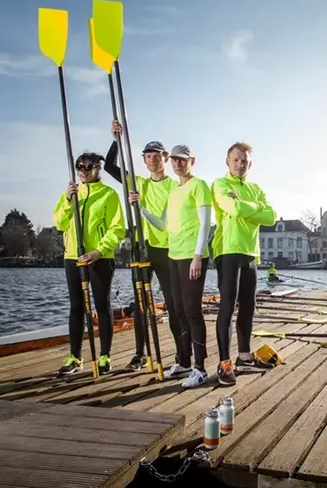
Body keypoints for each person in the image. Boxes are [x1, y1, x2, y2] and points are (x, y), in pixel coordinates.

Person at [103, 121, 180, 372]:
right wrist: (116, 139)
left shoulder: (175, 185)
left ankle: (181, 355)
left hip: (166, 250)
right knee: (141, 304)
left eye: (157, 156)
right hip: (141, 248)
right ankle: (139, 355)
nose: (152, 160)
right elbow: (108, 167)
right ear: (144, 160)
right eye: (148, 156)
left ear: (165, 158)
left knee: (173, 302)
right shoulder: (137, 183)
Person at [135, 144, 212, 388]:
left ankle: (200, 368)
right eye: (176, 160)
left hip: (193, 255)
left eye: (183, 160)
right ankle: (184, 361)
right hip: (174, 254)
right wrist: (140, 208)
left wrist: (198, 255)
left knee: (191, 310)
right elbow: (161, 224)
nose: (179, 164)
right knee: (176, 309)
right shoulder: (174, 192)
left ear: (192, 161)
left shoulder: (199, 186)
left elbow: (206, 224)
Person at [53, 152, 126, 375]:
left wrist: (99, 250)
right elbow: (59, 223)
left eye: (88, 167)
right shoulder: (72, 193)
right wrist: (67, 200)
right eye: (79, 167)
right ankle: (75, 357)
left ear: (97, 168)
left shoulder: (108, 194)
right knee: (76, 307)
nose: (83, 171)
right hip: (73, 256)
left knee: (102, 306)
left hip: (99, 258)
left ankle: (104, 356)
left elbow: (117, 228)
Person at [211, 142, 278, 386]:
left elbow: (270, 216)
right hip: (228, 250)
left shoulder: (255, 188)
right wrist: (254, 209)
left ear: (251, 163)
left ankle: (244, 357)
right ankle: (224, 363)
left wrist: (248, 207)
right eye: (236, 160)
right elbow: (232, 207)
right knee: (228, 306)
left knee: (248, 305)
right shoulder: (220, 184)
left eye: (244, 160)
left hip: (250, 253)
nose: (240, 164)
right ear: (227, 161)